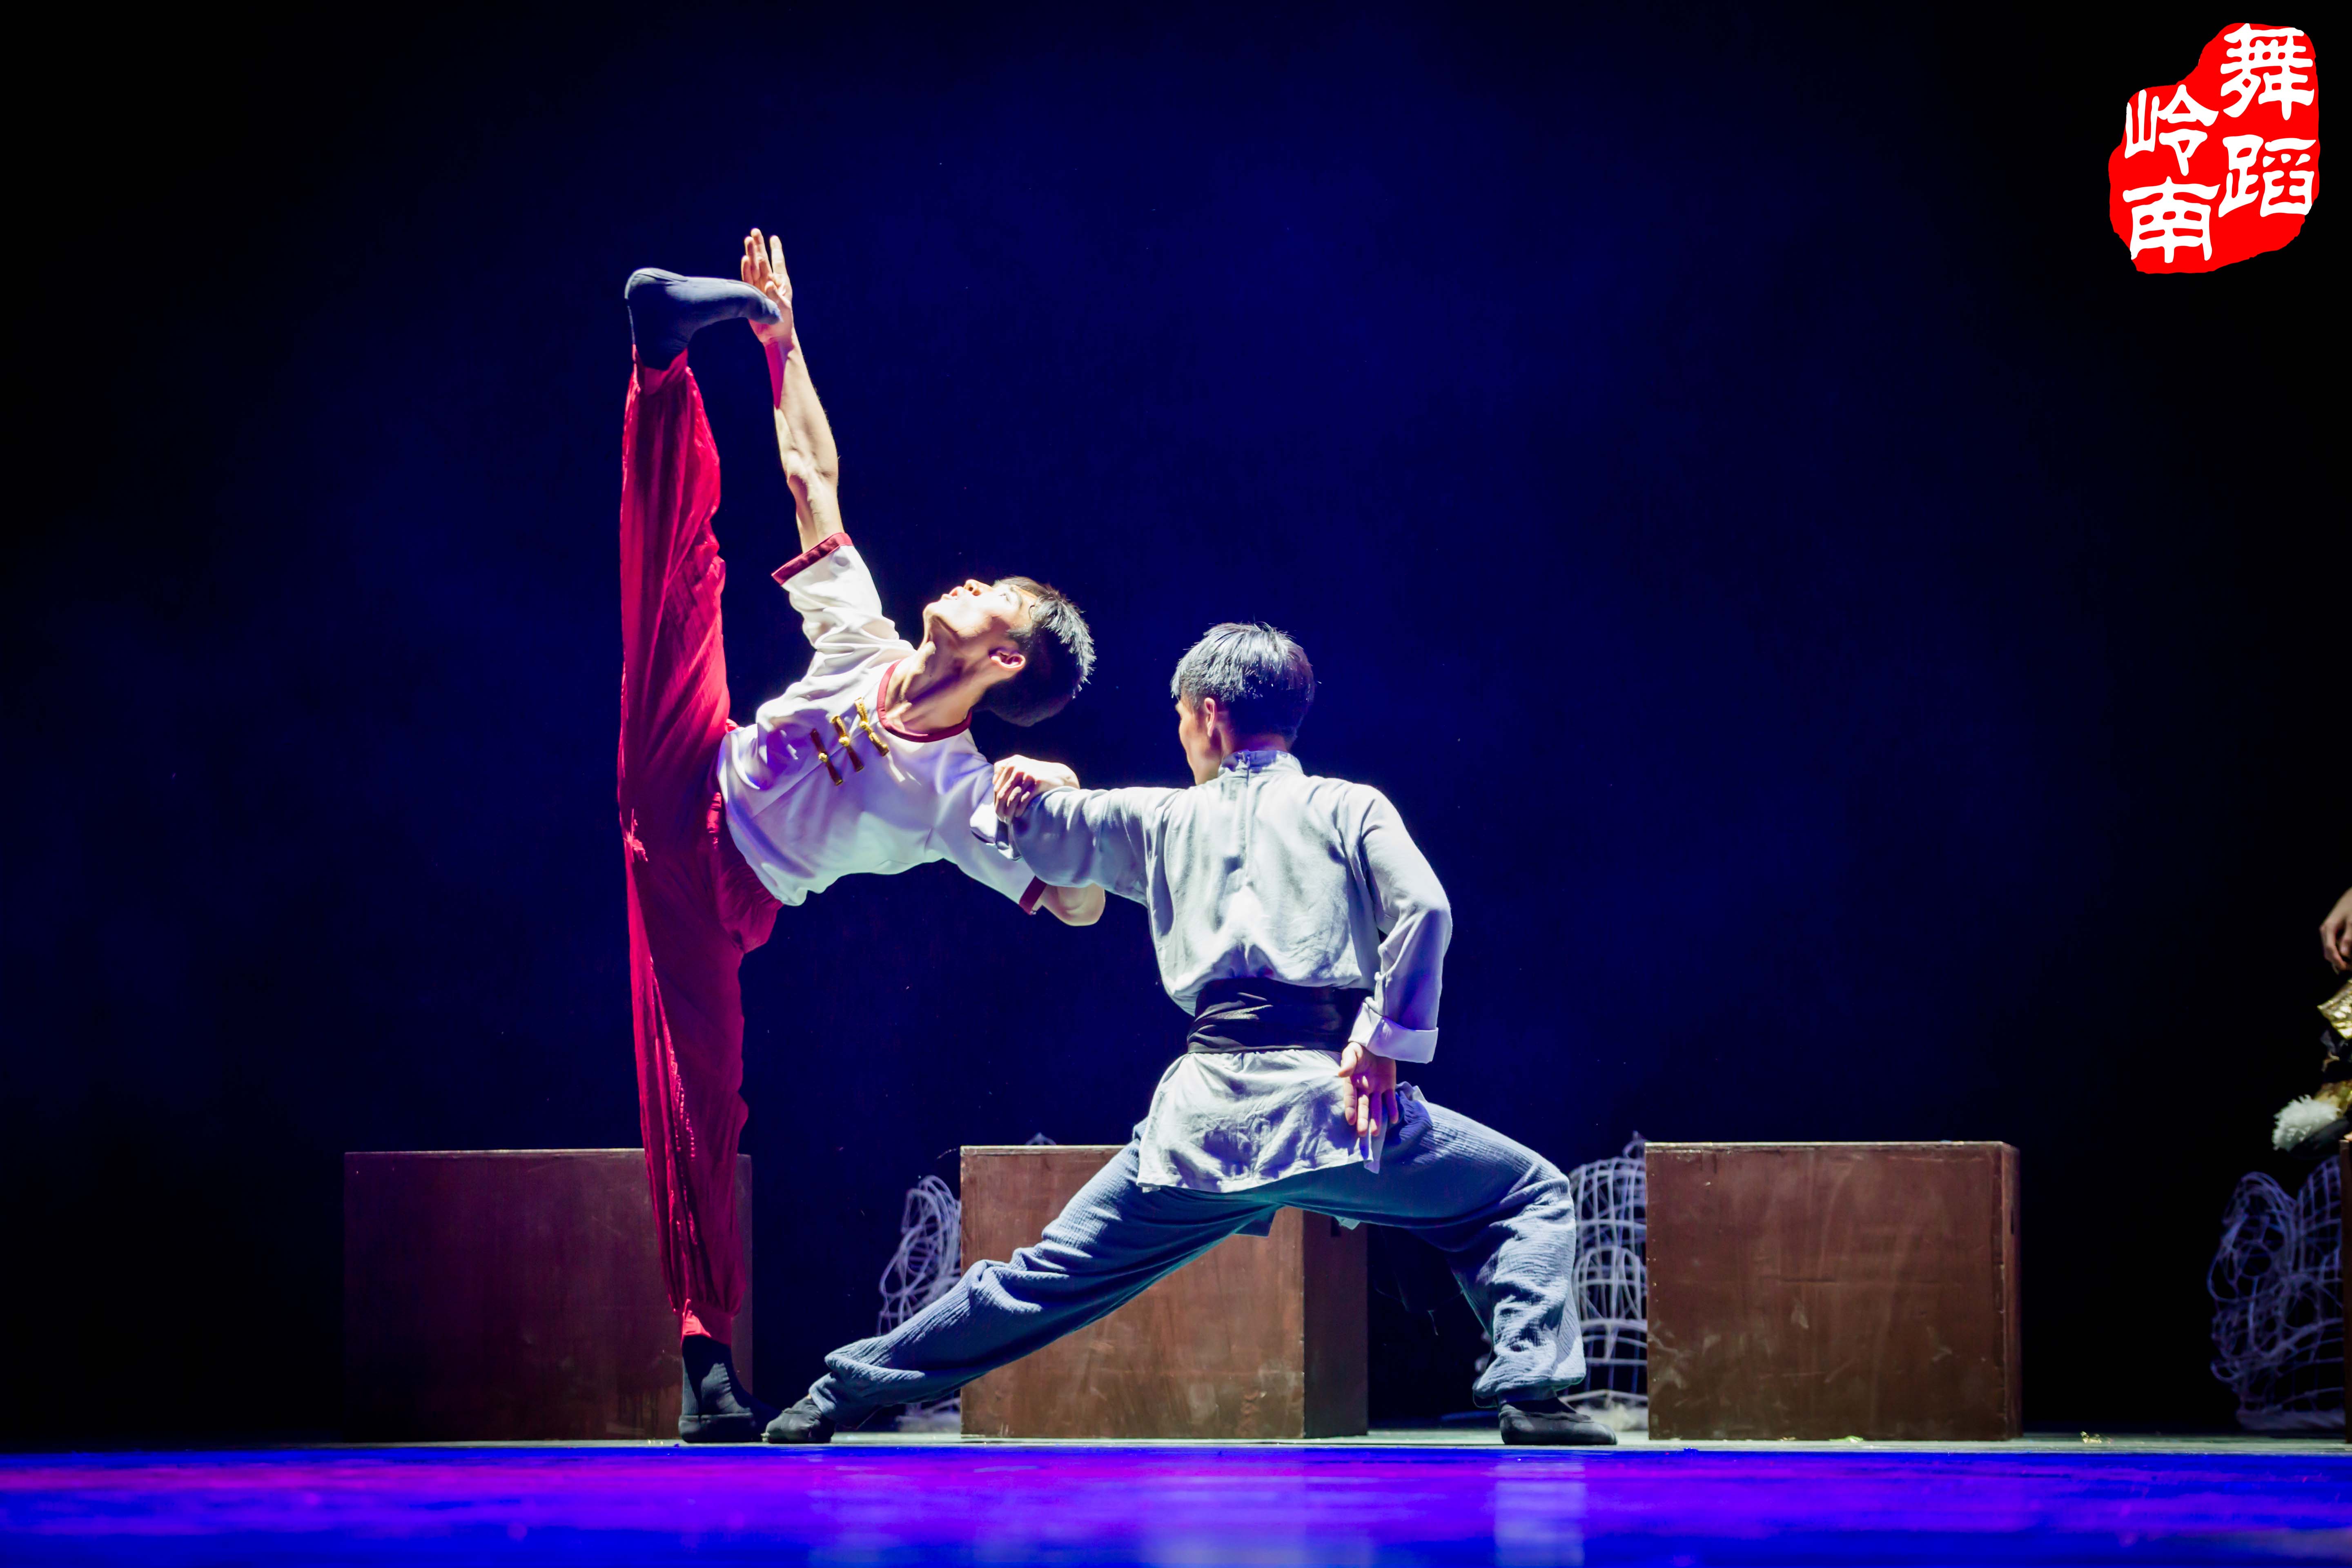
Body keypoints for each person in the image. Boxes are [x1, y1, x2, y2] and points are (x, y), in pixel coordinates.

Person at [764, 623, 1614, 1446]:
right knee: (1524, 1194)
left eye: (1180, 715)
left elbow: (1029, 825)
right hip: (1331, 1116)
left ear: (1209, 714)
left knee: (1043, 1281)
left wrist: (1037, 779)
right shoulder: (1349, 806)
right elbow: (1424, 908)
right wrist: (1384, 1041)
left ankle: (837, 1393)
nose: (1181, 734)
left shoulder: (1163, 818)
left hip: (1201, 1128)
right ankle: (1532, 1393)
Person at [617, 232, 1105, 1441]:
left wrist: (1061, 807)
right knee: (687, 581)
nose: (971, 581)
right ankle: (662, 358)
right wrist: (780, 341)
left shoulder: (964, 797)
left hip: (721, 895)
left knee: (703, 1102)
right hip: (688, 765)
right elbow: (810, 476)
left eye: (995, 597)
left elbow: (1079, 909)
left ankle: (704, 1364)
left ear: (1006, 659)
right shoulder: (862, 635)